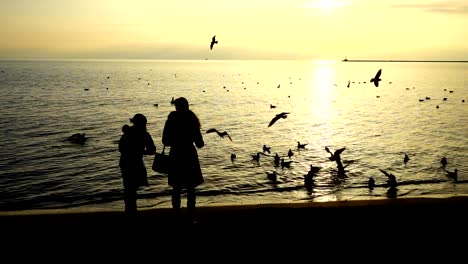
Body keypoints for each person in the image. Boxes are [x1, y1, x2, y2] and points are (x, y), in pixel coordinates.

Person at [162, 97, 204, 224]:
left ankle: (177, 216)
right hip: (189, 155)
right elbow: (200, 144)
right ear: (187, 106)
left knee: (176, 188)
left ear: (176, 107)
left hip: (175, 154)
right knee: (191, 188)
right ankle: (191, 217)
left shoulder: (171, 120)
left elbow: (165, 141)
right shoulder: (192, 120)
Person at [118, 113, 156, 216]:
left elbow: (120, 148)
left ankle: (129, 210)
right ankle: (132, 211)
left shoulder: (127, 133)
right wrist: (141, 152)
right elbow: (152, 150)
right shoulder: (145, 134)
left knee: (128, 188)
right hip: (136, 163)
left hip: (125, 162)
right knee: (133, 188)